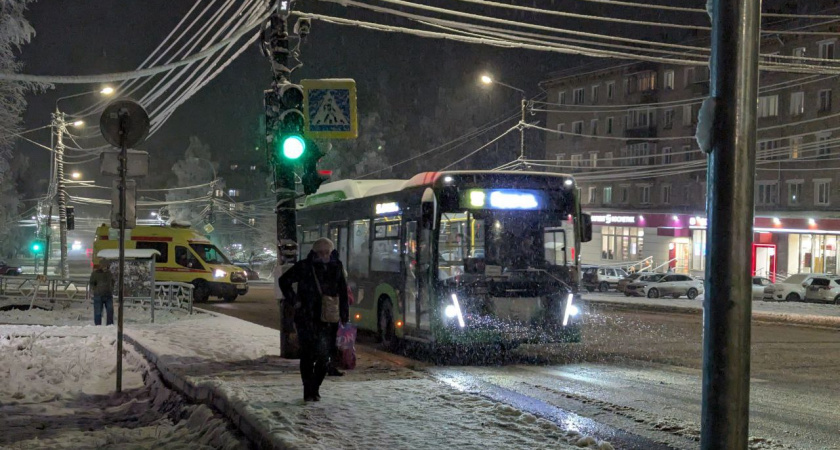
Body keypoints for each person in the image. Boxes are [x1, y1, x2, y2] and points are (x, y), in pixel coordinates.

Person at [279, 238, 349, 402]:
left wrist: (344, 315)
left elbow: (343, 292)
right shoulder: (305, 266)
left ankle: (314, 388)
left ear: (331, 252)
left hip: (328, 319)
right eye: (321, 252)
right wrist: (295, 300)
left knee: (325, 357)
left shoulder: (336, 266)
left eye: (327, 252)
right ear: (315, 252)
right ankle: (308, 392)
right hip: (306, 317)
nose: (324, 255)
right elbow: (284, 281)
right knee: (308, 355)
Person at [89, 260, 115, 326]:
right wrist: (95, 289)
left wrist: (111, 288)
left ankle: (109, 324)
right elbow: (92, 283)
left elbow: (112, 281)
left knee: (110, 310)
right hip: (98, 295)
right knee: (98, 312)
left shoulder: (109, 273)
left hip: (107, 294)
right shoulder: (95, 274)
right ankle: (98, 325)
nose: (105, 267)